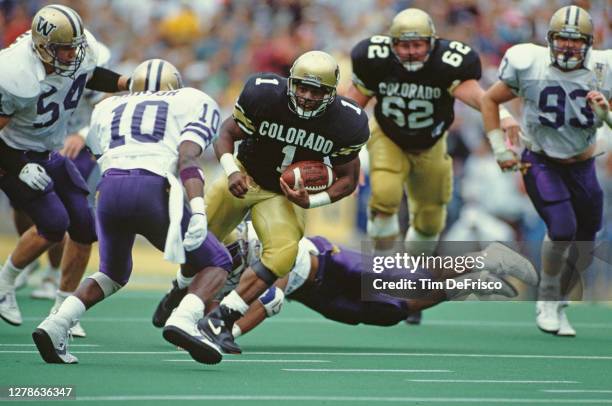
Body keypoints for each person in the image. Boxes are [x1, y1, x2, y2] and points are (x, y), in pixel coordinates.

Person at [32, 59, 232, 365]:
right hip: (152, 187)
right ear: (173, 85)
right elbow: (188, 159)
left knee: (112, 272)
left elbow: (101, 154)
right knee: (217, 261)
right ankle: (184, 319)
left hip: (110, 189)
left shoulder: (108, 107)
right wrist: (198, 208)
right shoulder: (191, 100)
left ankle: (57, 322)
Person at [191, 50, 370, 363]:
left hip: (283, 195)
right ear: (290, 83)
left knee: (284, 257)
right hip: (245, 175)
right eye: (302, 87)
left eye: (317, 91)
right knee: (197, 236)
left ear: (331, 93)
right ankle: (178, 294)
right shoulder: (264, 94)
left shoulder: (347, 122)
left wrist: (312, 200)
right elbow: (227, 133)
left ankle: (222, 318)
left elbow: (348, 179)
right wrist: (231, 170)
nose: (307, 96)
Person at [152, 222, 538, 340]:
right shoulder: (208, 267)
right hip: (314, 293)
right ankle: (468, 283)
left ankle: (490, 257)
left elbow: (272, 295)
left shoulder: (259, 240)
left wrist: (228, 333)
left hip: (331, 265)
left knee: (412, 278)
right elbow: (202, 303)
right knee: (391, 313)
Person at [481, 5, 612, 337]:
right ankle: (547, 295)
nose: (568, 47)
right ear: (550, 40)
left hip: (583, 165)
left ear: (589, 43)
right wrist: (499, 147)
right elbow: (489, 100)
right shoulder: (529, 62)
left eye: (576, 41)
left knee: (585, 242)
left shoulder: (603, 69)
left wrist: (606, 114)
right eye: (562, 39)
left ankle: (559, 301)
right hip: (540, 159)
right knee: (562, 227)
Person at [345, 8, 520, 255]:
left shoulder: (447, 63)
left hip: (431, 142)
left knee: (430, 218)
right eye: (404, 46)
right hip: (388, 136)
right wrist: (339, 149)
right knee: (384, 192)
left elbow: (477, 94)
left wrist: (501, 115)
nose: (411, 52)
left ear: (432, 42)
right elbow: (352, 106)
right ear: (391, 44)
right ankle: (381, 261)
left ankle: (417, 266)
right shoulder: (376, 59)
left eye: (418, 44)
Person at [0, 4, 130, 327]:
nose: (72, 56)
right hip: (12, 152)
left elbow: (91, 75)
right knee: (54, 223)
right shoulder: (15, 74)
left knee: (85, 226)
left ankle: (62, 311)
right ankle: (4, 286)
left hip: (48, 150)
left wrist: (127, 82)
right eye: (64, 50)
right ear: (43, 47)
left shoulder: (77, 56)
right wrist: (17, 165)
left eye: (75, 48)